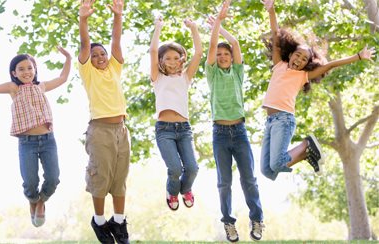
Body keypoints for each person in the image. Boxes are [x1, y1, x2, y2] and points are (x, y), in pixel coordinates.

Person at [261, 0, 376, 181]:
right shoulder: (279, 65)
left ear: (307, 64)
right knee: (267, 171)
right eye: (297, 55)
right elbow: (276, 35)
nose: (299, 60)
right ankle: (307, 153)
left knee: (276, 164)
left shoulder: (302, 76)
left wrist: (358, 56)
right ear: (290, 55)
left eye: (304, 59)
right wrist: (271, 10)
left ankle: (307, 145)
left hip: (284, 120)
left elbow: (331, 64)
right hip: (270, 121)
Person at [0, 45, 71, 227]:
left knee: (53, 178)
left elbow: (62, 77)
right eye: (21, 69)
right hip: (26, 143)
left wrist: (68, 59)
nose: (26, 71)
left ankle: (41, 201)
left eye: (30, 68)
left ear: (35, 70)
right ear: (14, 73)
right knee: (30, 181)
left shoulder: (41, 86)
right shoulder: (14, 88)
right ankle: (32, 200)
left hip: (48, 140)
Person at [205, 0, 264, 242]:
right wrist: (215, 26)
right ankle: (228, 223)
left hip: (239, 132)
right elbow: (211, 47)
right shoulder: (212, 74)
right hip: (219, 133)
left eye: (225, 53)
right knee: (224, 182)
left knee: (248, 178)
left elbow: (236, 43)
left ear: (231, 57)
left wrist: (222, 24)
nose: (222, 57)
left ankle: (257, 219)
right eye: (218, 54)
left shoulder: (238, 73)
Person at [78, 0, 130, 243]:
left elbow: (116, 41)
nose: (99, 56)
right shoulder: (88, 72)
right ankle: (99, 222)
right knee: (100, 178)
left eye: (102, 54)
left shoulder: (114, 68)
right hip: (100, 129)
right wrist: (84, 20)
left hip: (121, 130)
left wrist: (118, 15)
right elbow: (85, 44)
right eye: (95, 54)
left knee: (120, 180)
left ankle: (118, 223)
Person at [149, 14, 202, 211]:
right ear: (161, 61)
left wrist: (193, 28)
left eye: (175, 57)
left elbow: (198, 53)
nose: (171, 61)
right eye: (167, 58)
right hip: (164, 130)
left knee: (192, 168)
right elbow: (153, 50)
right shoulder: (157, 78)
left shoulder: (185, 77)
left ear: (181, 60)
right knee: (174, 169)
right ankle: (172, 193)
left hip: (184, 129)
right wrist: (158, 27)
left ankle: (185, 189)